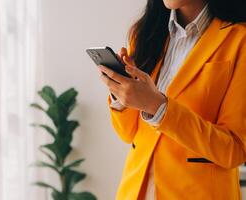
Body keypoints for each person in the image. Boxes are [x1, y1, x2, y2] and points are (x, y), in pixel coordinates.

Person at [98, 0, 246, 199]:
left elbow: (234, 150)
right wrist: (122, 94)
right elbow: (128, 134)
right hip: (136, 191)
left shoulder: (239, 39)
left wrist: (158, 107)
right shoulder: (145, 32)